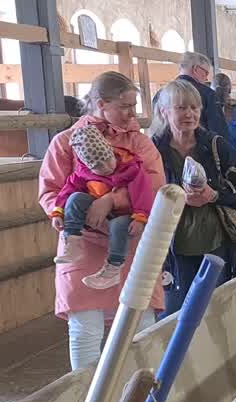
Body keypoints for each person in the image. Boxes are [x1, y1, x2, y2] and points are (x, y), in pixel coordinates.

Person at [37, 71, 164, 370]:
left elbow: (155, 188)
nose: (132, 113)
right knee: (85, 328)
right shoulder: (66, 142)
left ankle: (142, 401)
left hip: (130, 242)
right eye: (124, 106)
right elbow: (51, 190)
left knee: (140, 326)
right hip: (83, 244)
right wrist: (64, 214)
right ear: (99, 103)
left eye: (134, 105)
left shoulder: (141, 144)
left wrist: (112, 201)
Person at [150, 79, 236, 314]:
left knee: (215, 311)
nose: (189, 114)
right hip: (173, 250)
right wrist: (176, 198)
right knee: (174, 314)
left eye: (194, 108)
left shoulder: (216, 146)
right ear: (164, 111)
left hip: (215, 245)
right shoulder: (152, 151)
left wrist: (214, 195)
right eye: (181, 108)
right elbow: (143, 197)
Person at [50, 123, 153, 290]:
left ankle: (113, 267)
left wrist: (140, 218)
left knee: (119, 225)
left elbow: (144, 193)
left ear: (110, 150)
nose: (106, 168)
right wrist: (58, 211)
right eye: (97, 167)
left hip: (125, 214)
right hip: (96, 213)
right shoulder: (83, 173)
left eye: (107, 160)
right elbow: (66, 191)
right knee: (75, 197)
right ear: (88, 166)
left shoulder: (131, 168)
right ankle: (73, 241)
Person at [161, 51, 228, 138]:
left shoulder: (160, 94)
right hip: (202, 149)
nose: (206, 78)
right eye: (206, 73)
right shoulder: (208, 94)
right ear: (196, 69)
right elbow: (219, 133)